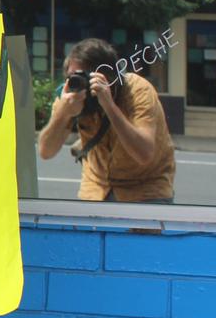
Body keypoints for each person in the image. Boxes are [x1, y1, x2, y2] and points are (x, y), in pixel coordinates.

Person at [38, 38, 176, 202]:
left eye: (86, 78)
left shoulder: (137, 91)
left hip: (145, 188)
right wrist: (63, 113)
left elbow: (144, 154)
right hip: (96, 187)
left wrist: (109, 106)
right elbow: (46, 152)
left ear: (110, 78)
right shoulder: (71, 94)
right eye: (73, 76)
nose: (79, 82)